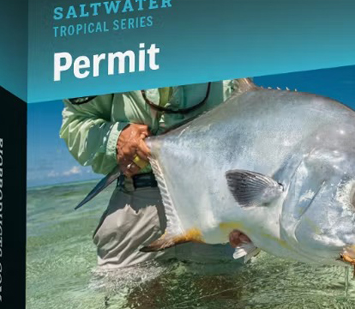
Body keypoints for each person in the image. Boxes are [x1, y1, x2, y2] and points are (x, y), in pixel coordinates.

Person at [61, 81, 249, 268]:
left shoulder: (230, 65)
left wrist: (249, 214)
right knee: (126, 286)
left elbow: (247, 134)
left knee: (225, 285)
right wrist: (116, 137)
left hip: (214, 200)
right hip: (137, 199)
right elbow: (76, 122)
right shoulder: (109, 63)